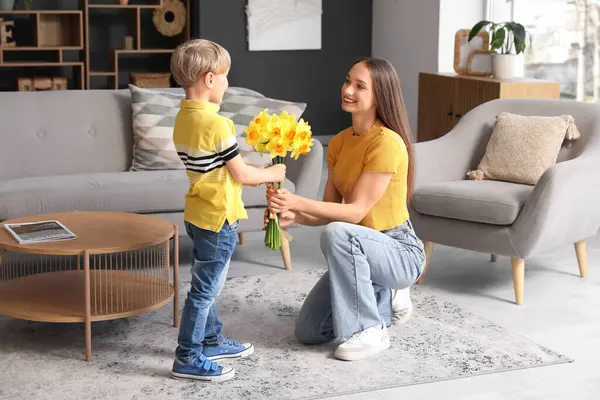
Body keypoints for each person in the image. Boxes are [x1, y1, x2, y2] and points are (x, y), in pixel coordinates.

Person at [266, 57, 426, 361]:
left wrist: (298, 200)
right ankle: (381, 292)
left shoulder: (387, 143)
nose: (347, 89)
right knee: (309, 331)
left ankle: (371, 329)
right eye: (347, 81)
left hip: (399, 250)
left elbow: (354, 212)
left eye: (359, 86)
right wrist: (293, 216)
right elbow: (330, 209)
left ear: (380, 96)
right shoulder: (339, 143)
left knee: (339, 233)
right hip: (359, 248)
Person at [169, 39, 286, 382]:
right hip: (219, 217)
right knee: (205, 290)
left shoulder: (182, 119)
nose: (227, 84)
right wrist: (272, 173)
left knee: (205, 282)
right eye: (224, 77)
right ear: (208, 79)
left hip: (196, 213)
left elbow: (213, 165)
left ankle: (211, 339)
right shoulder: (218, 124)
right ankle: (187, 357)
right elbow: (242, 175)